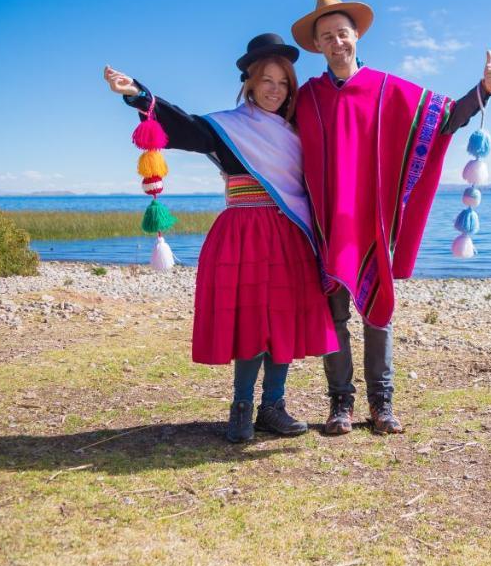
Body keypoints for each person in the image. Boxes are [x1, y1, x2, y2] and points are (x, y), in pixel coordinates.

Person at [102, 33, 338, 442]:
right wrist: (139, 95)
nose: (274, 90)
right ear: (249, 81)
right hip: (243, 233)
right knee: (250, 321)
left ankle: (273, 407)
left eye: (283, 83)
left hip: (288, 235)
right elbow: (183, 127)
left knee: (280, 320)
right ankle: (241, 408)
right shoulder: (227, 128)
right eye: (267, 80)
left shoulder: (299, 130)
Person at [290, 0, 491, 435]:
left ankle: (381, 403)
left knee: (378, 312)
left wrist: (482, 91)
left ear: (356, 36)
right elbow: (268, 132)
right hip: (324, 225)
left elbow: (442, 118)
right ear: (317, 44)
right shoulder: (305, 98)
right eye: (326, 35)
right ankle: (340, 404)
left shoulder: (388, 90)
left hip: (371, 221)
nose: (336, 41)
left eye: (342, 32)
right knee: (333, 316)